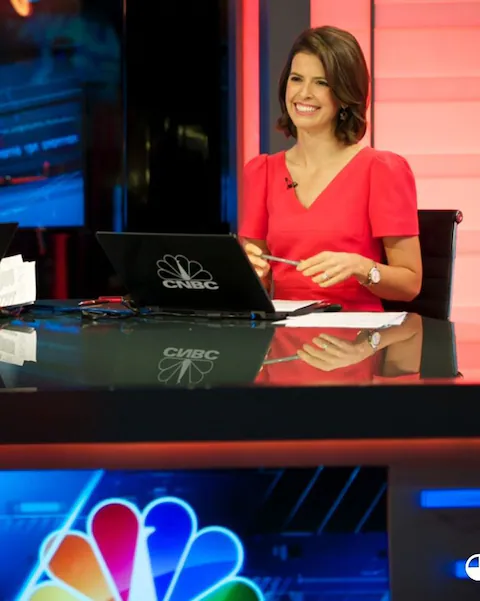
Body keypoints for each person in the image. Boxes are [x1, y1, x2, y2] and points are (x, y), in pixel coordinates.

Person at [239, 26, 422, 312]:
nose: (304, 93)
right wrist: (250, 273)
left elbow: (410, 283)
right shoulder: (261, 172)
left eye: (321, 83)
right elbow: (256, 285)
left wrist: (362, 267)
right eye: (296, 79)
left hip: (357, 333)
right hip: (284, 332)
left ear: (344, 94)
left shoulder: (382, 170)